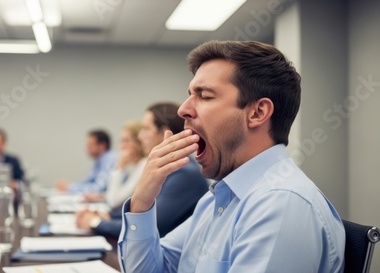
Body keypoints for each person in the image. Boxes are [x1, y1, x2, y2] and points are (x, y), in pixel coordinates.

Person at [118, 41, 345, 273]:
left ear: (257, 113)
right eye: (190, 95)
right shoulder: (217, 198)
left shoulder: (281, 203)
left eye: (204, 96)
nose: (182, 110)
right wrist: (141, 205)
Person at [76, 103, 209, 238]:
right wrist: (107, 216)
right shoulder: (168, 167)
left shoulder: (184, 173)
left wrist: (95, 222)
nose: (140, 136)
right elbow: (139, 210)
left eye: (146, 129)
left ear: (164, 133)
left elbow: (145, 226)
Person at [83, 121, 146, 209]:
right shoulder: (135, 166)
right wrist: (103, 196)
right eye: (121, 141)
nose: (122, 146)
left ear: (139, 142)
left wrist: (119, 168)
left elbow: (114, 202)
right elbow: (119, 194)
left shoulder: (143, 166)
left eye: (126, 141)